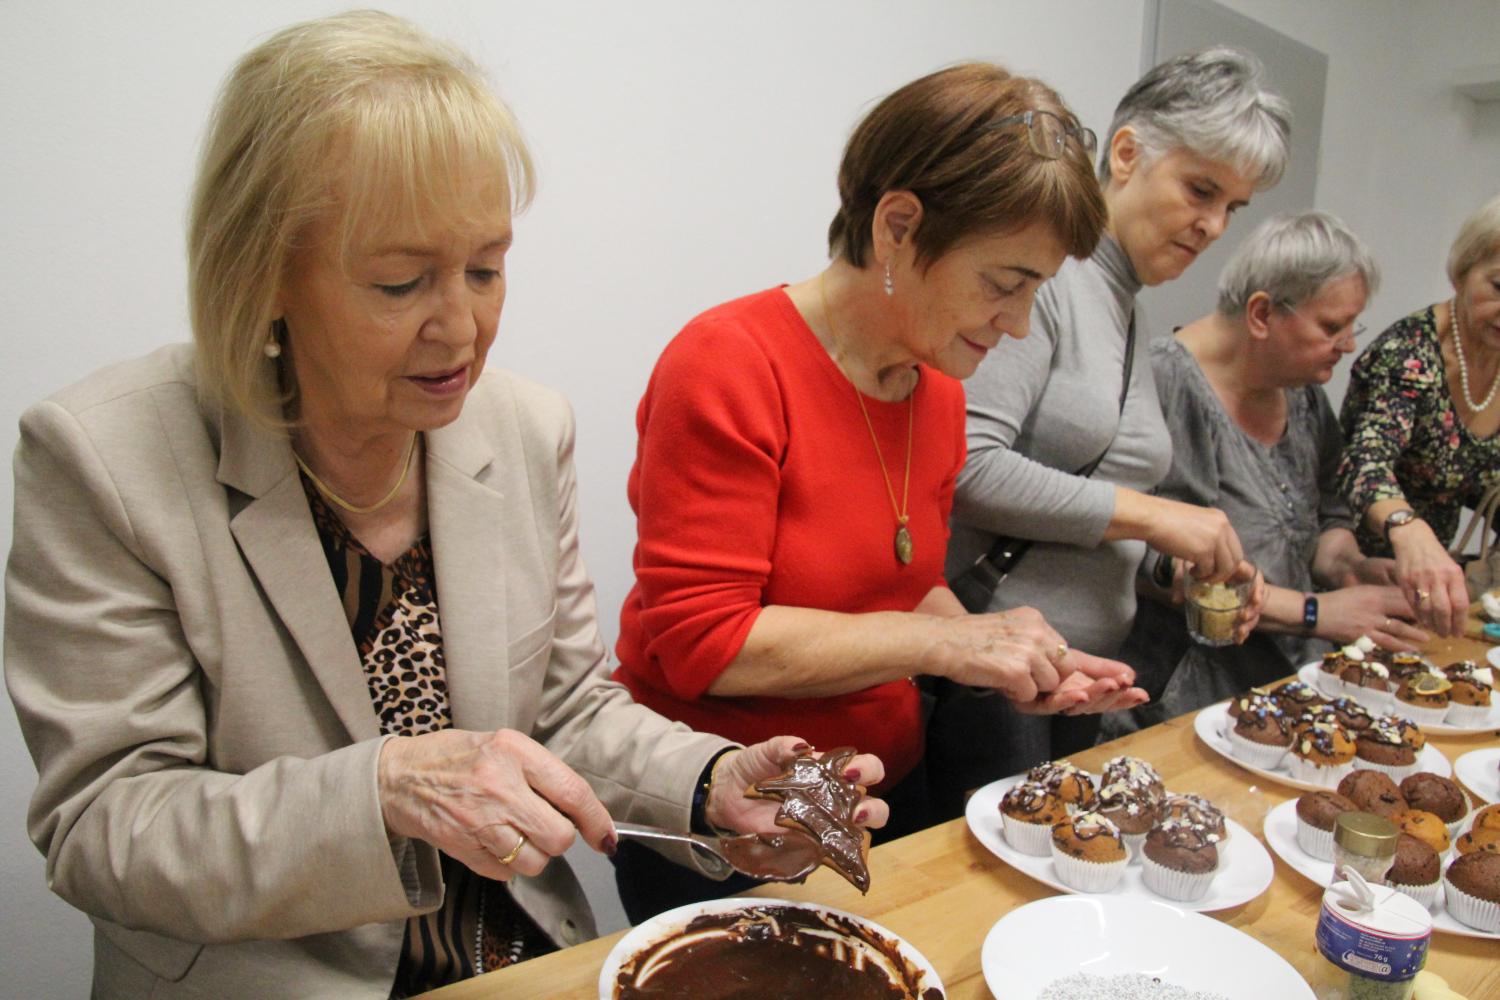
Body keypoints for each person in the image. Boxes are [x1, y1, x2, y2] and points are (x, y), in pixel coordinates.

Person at [3, 13, 889, 999]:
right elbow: (105, 829)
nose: (463, 328)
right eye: (400, 280)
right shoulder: (104, 460)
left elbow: (560, 710)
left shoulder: (521, 427)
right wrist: (385, 789)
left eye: (486, 266)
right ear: (260, 272)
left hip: (512, 960)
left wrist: (709, 782)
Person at [610, 63, 1137, 922]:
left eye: (1037, 289)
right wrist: (952, 650)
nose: (1018, 322)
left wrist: (1006, 654)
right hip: (742, 809)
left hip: (879, 788)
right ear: (898, 226)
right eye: (1006, 282)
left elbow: (903, 586)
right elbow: (706, 641)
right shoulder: (729, 364)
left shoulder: (939, 392)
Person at [931, 47, 1289, 814]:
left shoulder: (1128, 306)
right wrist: (1159, 515)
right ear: (1126, 153)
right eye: (1201, 189)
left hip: (1069, 680)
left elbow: (1090, 520)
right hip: (997, 683)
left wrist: (1174, 566)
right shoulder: (1050, 279)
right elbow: (966, 466)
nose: (1213, 225)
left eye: (1234, 207)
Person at [1111, 212, 1425, 734]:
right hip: (1176, 705)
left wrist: (1348, 565)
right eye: (1331, 326)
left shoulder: (1301, 388)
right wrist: (1317, 612)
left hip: (1287, 690)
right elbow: (1147, 559)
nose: (1348, 344)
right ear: (1261, 314)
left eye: (1353, 325)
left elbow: (1324, 512)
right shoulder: (1165, 379)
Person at [1339, 193, 1500, 637]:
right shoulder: (1406, 355)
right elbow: (1363, 466)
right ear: (1464, 270)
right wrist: (1409, 530)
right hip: (1358, 580)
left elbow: (1480, 477)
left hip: (1438, 595)